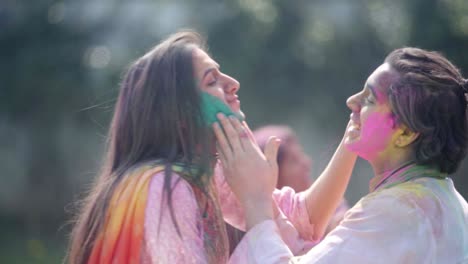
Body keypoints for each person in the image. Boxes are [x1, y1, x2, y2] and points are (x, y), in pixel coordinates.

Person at [67, 30, 357, 264]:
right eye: (212, 81)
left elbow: (305, 222)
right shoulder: (162, 186)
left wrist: (355, 132)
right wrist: (256, 200)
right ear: (179, 114)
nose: (233, 84)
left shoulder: (203, 176)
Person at [215, 47, 468, 263]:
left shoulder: (398, 209)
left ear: (406, 133)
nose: (351, 101)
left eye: (369, 98)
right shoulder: (442, 203)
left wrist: (256, 202)